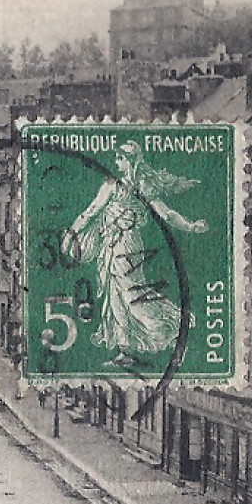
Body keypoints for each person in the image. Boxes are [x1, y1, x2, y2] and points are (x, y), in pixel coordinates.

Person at [62, 139, 208, 369]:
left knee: (133, 296)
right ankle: (125, 350)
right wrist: (72, 232)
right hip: (109, 245)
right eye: (116, 158)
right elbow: (91, 211)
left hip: (128, 245)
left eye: (120, 158)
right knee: (114, 296)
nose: (116, 162)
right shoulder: (112, 185)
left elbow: (166, 214)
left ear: (130, 161)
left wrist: (190, 226)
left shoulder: (143, 186)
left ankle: (174, 330)